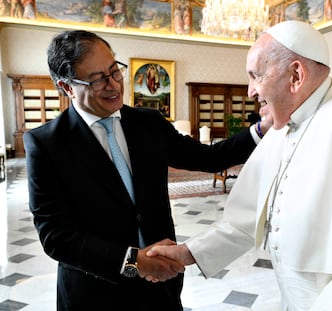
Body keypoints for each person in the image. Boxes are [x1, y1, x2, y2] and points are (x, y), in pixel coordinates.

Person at [147, 20, 332, 310]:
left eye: (256, 76)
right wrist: (189, 252)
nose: (250, 91)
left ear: (296, 75)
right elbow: (246, 221)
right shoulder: (280, 128)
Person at [23, 30, 271, 310]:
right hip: (95, 293)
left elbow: (209, 158)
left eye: (115, 70)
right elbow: (56, 237)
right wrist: (133, 261)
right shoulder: (47, 144)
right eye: (97, 79)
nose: (113, 84)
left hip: (160, 286)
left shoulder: (148, 123)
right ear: (67, 87)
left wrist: (261, 130)